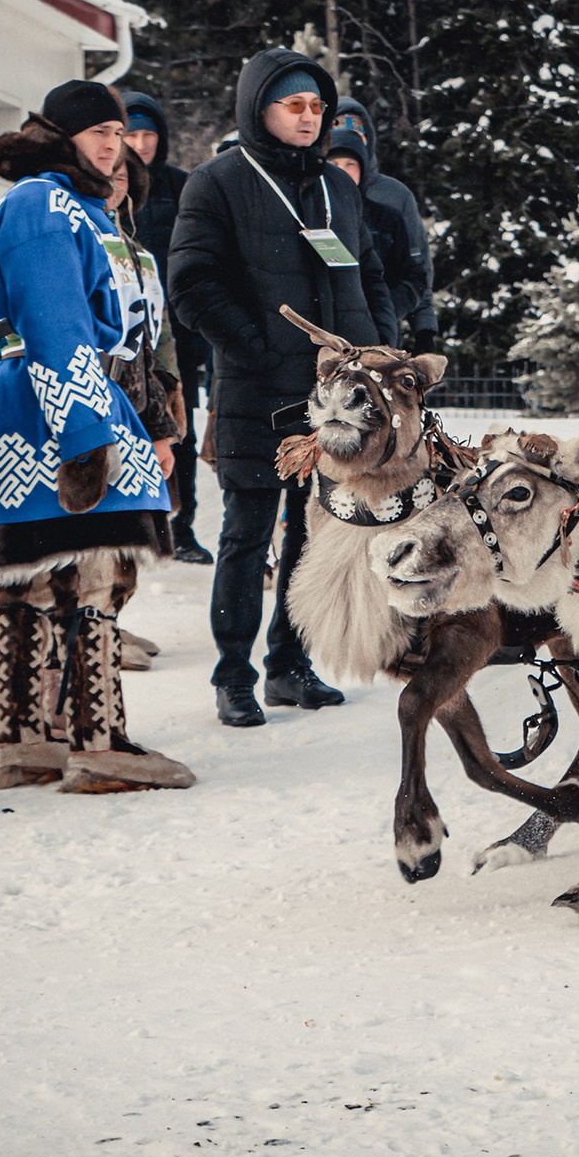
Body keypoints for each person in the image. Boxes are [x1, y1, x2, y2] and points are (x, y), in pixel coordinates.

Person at [0, 81, 187, 795]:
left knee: (32, 574)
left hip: (29, 404)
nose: (113, 142)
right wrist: (87, 436)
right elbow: (57, 326)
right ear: (60, 135)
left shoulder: (53, 204)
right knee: (95, 572)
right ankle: (99, 743)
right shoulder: (48, 204)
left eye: (120, 130)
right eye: (98, 130)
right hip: (57, 403)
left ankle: (24, 743)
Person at [168, 50, 390, 727]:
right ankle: (232, 671)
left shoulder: (338, 188)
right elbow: (191, 285)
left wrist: (380, 352)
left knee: (314, 535)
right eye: (293, 104)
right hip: (257, 395)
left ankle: (288, 666)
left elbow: (369, 277)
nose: (308, 116)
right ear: (258, 108)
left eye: (316, 106)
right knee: (248, 532)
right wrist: (261, 346)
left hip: (337, 403)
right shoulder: (218, 182)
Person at [123, 91, 213, 564]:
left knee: (180, 430)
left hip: (177, 333)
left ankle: (183, 527)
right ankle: (138, 524)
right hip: (124, 334)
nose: (140, 144)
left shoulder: (182, 187)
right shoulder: (109, 186)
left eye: (149, 135)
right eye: (131, 134)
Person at [332, 99, 437, 351]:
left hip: (380, 328)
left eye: (357, 134)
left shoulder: (394, 197)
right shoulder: (315, 193)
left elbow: (417, 269)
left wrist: (423, 328)